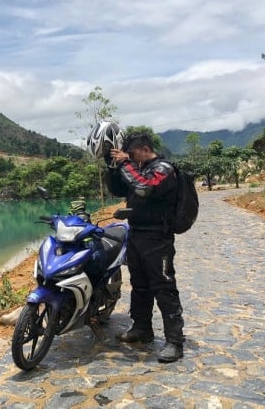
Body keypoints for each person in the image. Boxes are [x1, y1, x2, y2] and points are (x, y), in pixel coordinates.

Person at [89, 124, 185, 363]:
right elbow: (120, 188)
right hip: (137, 235)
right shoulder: (138, 168)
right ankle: (142, 329)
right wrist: (112, 167)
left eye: (130, 153)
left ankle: (175, 341)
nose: (127, 156)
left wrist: (124, 163)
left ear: (144, 149)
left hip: (157, 238)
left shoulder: (163, 168)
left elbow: (144, 188)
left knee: (163, 288)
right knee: (140, 286)